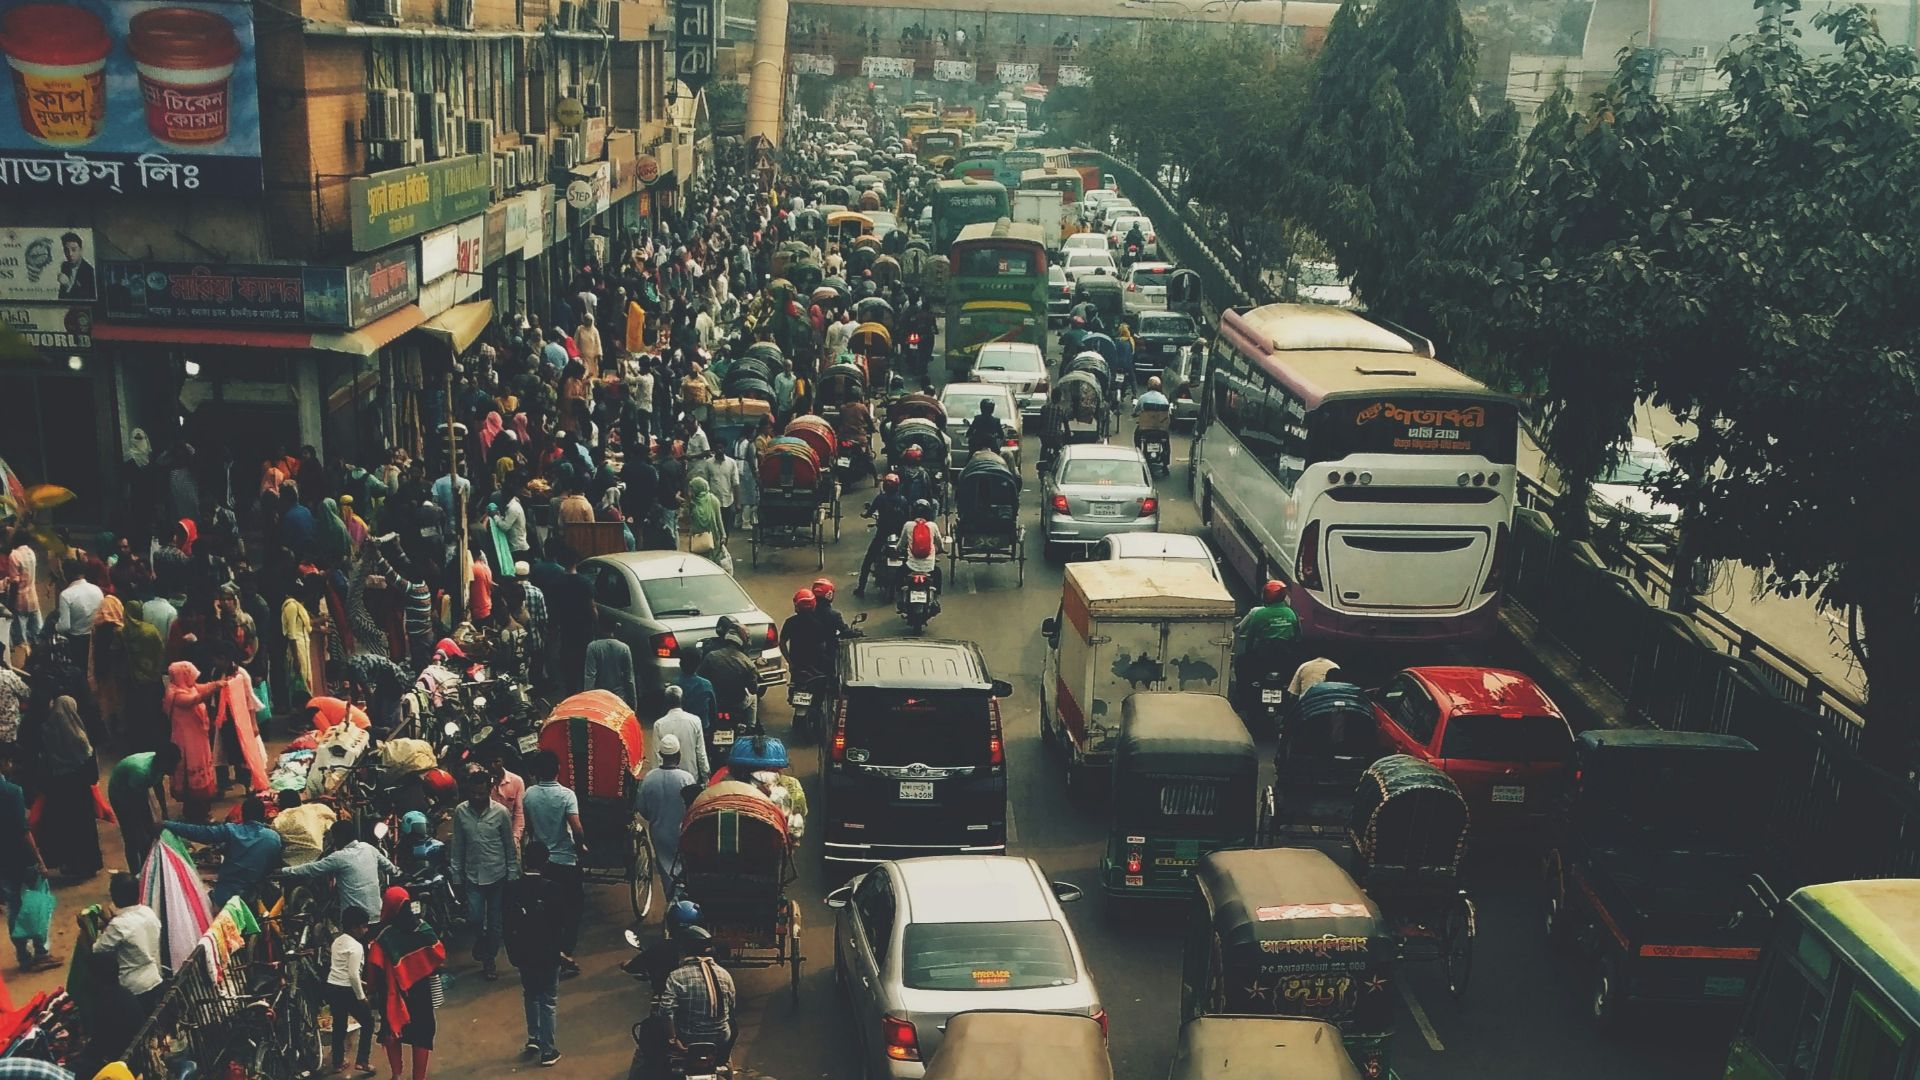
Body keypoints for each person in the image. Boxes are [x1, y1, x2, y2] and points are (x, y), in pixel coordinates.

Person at [367, 887, 444, 1080]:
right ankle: (419, 1077)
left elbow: (374, 967)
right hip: (420, 991)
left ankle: (397, 1074)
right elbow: (438, 954)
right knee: (422, 1033)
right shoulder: (422, 928)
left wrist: (371, 989)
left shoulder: (383, 936)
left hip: (392, 993)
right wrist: (420, 968)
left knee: (394, 1031)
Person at [520, 751, 585, 975]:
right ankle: (566, 950)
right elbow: (577, 829)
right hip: (566, 860)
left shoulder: (529, 795)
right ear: (558, 769)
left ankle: (551, 949)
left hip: (542, 862)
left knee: (546, 908)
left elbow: (529, 828)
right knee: (573, 907)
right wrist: (580, 846)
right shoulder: (567, 795)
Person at [449, 770, 517, 980]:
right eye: (473, 795)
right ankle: (481, 939)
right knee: (475, 918)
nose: (477, 799)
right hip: (472, 875)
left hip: (497, 874)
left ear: (489, 791)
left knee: (495, 922)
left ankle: (490, 960)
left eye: (481, 794)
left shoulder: (501, 813)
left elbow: (509, 845)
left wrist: (513, 873)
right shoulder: (461, 812)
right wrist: (457, 877)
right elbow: (458, 846)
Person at [504, 841, 565, 1066]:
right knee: (548, 1000)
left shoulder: (512, 889)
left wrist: (513, 953)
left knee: (530, 994)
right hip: (548, 954)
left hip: (524, 953)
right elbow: (560, 925)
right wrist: (561, 953)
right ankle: (548, 1051)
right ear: (546, 862)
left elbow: (507, 924)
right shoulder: (554, 889)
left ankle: (534, 1037)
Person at [163, 795, 284, 908]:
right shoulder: (273, 838)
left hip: (226, 896)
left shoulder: (231, 830)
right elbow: (272, 868)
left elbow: (199, 832)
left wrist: (168, 824)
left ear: (243, 815)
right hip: (256, 896)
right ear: (263, 815)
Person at [0, 749, 56, 971]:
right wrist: (40, 859)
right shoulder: (12, 791)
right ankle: (41, 951)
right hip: (21, 855)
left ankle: (23, 955)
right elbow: (24, 830)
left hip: (2, 860)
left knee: (14, 904)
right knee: (37, 902)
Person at [281, 818, 399, 921]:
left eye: (333, 837)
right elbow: (390, 868)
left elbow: (312, 869)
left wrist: (284, 871)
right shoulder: (368, 848)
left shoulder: (339, 857)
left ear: (340, 837)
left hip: (354, 921)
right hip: (377, 914)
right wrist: (398, 872)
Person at [40, 695, 100, 879]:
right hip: (79, 787)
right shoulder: (79, 737)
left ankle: (72, 865)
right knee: (84, 827)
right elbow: (90, 767)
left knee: (67, 827)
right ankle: (89, 864)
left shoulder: (48, 730)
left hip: (60, 786)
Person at [660, 926, 738, 1066]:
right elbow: (732, 1007)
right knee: (733, 1025)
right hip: (720, 1040)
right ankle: (725, 1064)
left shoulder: (677, 976)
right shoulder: (724, 975)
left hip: (687, 1039)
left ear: (684, 950)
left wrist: (672, 1040)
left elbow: (666, 1011)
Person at [106, 744, 181, 875]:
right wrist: (148, 827)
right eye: (173, 766)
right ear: (165, 763)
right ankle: (136, 874)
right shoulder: (141, 772)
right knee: (132, 836)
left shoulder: (159, 767)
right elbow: (138, 806)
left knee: (147, 834)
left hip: (136, 788)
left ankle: (147, 870)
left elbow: (158, 787)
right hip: (120, 794)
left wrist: (164, 812)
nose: (175, 770)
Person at [636, 733, 696, 888]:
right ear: (679, 754)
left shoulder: (649, 778)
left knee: (667, 874)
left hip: (658, 833)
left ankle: (672, 899)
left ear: (661, 755)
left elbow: (642, 808)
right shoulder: (687, 779)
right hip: (683, 832)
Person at [325, 906, 378, 1076]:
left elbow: (342, 969)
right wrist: (362, 997)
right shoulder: (356, 947)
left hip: (332, 986)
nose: (366, 930)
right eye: (364, 926)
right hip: (347, 990)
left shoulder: (337, 942)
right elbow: (353, 975)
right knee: (368, 1022)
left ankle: (337, 1063)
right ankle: (362, 1060)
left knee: (339, 1025)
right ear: (354, 927)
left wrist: (359, 982)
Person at [696, 617, 759, 734]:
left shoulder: (711, 656)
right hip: (737, 703)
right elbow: (753, 690)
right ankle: (751, 728)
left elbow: (700, 678)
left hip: (715, 703)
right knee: (753, 698)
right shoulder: (748, 663)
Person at [855, 474, 910, 598]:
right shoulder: (903, 500)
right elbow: (907, 517)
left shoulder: (880, 498)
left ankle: (861, 588)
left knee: (868, 560)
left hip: (883, 534)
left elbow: (869, 512)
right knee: (908, 558)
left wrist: (865, 515)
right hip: (899, 534)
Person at [1238, 580, 1301, 678]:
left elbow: (1250, 638)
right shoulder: (1291, 613)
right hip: (1285, 655)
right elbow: (1297, 636)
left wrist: (1248, 654)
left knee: (1240, 662)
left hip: (1263, 654)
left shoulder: (1259, 614)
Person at [649, 685, 711, 782]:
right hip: (691, 778)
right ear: (682, 701)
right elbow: (701, 752)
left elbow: (656, 756)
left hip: (667, 779)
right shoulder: (695, 721)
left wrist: (655, 778)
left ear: (666, 702)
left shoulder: (659, 724)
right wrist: (705, 775)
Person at [899, 499, 945, 606]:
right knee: (938, 573)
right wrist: (941, 549)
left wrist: (897, 550)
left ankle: (901, 598)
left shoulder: (908, 525)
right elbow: (940, 543)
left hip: (911, 566)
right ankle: (935, 599)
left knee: (899, 574)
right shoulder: (932, 526)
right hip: (929, 567)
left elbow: (901, 543)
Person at [582, 624, 638, 710]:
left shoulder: (593, 647)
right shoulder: (624, 648)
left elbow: (590, 676)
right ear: (615, 628)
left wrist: (588, 701)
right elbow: (629, 678)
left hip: (600, 696)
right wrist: (633, 703)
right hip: (619, 697)